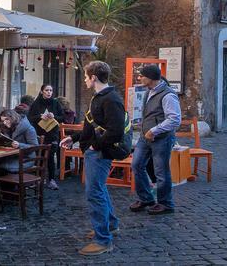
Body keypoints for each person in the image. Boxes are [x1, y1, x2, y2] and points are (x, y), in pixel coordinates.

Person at [60, 61, 126, 256]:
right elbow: (91, 127)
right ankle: (111, 225)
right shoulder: (98, 98)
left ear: (94, 77)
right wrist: (74, 138)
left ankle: (103, 240)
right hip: (95, 151)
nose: (86, 79)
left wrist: (93, 146)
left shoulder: (111, 99)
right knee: (99, 190)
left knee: (94, 193)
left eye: (87, 76)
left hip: (100, 153)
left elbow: (115, 132)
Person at [130, 65, 181, 216]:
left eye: (142, 75)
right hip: (145, 137)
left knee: (161, 172)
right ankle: (146, 198)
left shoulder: (168, 95)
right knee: (137, 164)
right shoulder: (149, 92)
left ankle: (165, 203)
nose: (139, 78)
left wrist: (154, 130)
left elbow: (174, 119)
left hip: (161, 139)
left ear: (151, 78)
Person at [28, 84, 65, 190]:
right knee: (39, 155)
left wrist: (54, 116)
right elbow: (30, 117)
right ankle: (38, 179)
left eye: (51, 90)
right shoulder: (36, 103)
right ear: (42, 91)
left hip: (52, 133)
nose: (49, 92)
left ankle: (51, 180)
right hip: (39, 133)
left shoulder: (55, 102)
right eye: (46, 90)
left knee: (50, 156)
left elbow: (62, 117)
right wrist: (40, 116)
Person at [0, 108, 38, 174]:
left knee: (0, 167)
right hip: (12, 156)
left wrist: (19, 145)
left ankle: (7, 183)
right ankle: (2, 183)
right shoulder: (8, 127)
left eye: (7, 119)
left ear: (13, 118)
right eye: (2, 120)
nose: (4, 122)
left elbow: (35, 147)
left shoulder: (29, 128)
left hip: (26, 159)